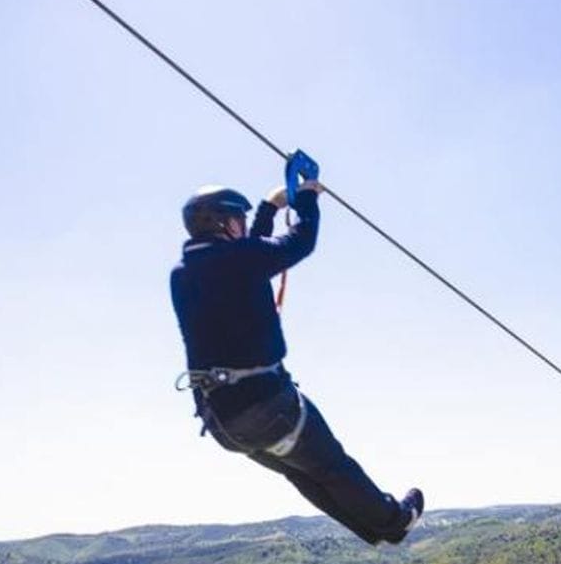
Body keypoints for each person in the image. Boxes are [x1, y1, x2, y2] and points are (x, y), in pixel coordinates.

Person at [170, 169, 423, 544]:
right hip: (267, 406)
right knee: (333, 465)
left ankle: (372, 529)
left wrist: (268, 208)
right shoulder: (237, 261)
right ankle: (394, 520)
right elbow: (297, 244)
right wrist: (306, 198)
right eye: (238, 220)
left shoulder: (185, 273)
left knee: (304, 472)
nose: (242, 227)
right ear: (223, 223)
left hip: (224, 421)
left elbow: (249, 258)